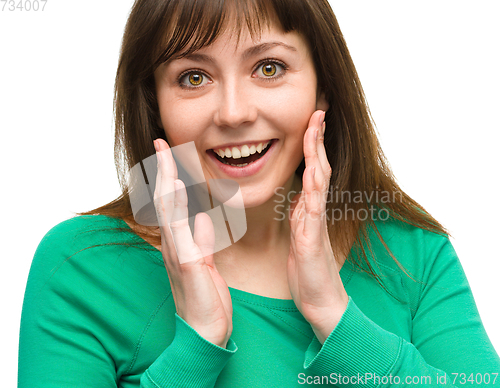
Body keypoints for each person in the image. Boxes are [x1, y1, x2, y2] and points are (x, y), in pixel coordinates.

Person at [18, 0, 500, 387]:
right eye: (194, 77)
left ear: (323, 88)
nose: (232, 113)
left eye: (269, 67)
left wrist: (337, 320)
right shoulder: (81, 266)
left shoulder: (409, 250)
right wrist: (196, 348)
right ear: (155, 104)